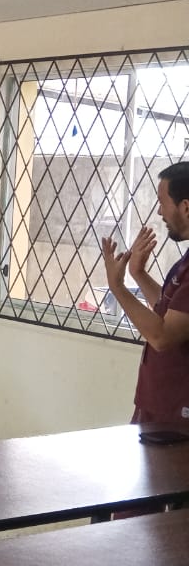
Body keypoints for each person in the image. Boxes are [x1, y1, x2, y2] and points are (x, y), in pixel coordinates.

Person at [101, 161, 189, 428]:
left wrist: (117, 287)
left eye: (163, 203)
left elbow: (162, 336)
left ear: (185, 207)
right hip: (159, 404)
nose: (160, 212)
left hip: (176, 415)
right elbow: (169, 312)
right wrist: (138, 273)